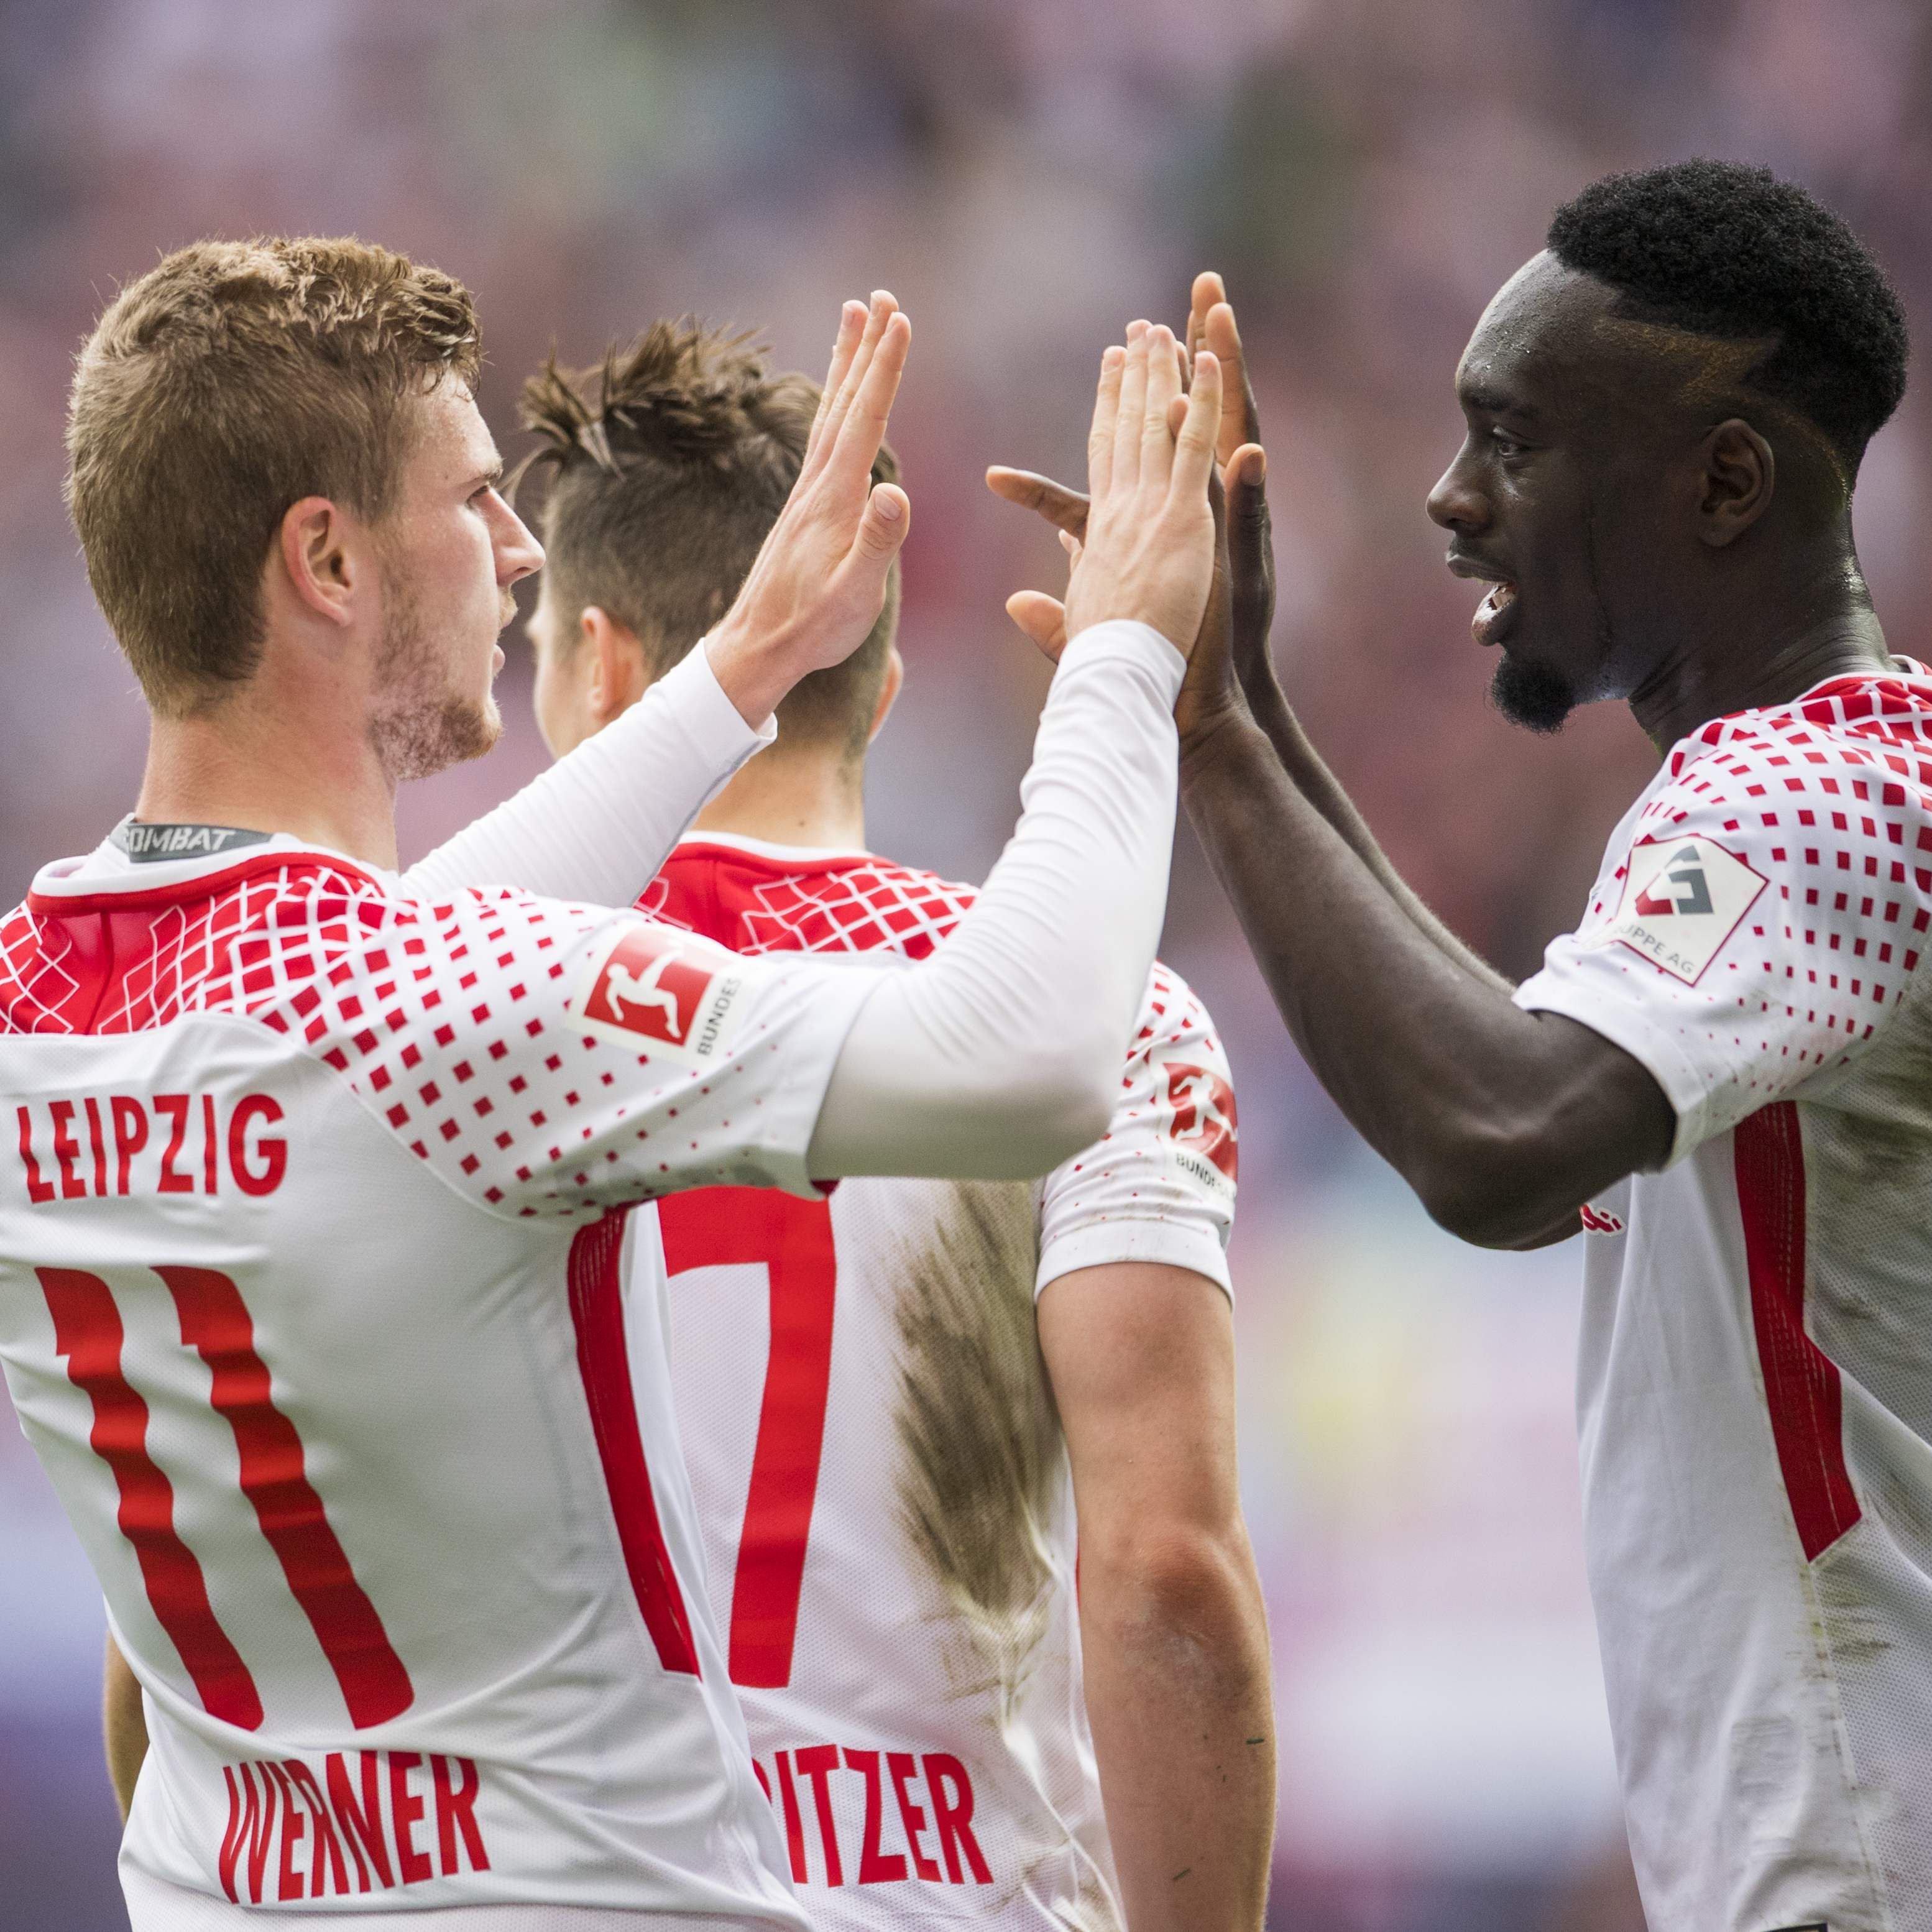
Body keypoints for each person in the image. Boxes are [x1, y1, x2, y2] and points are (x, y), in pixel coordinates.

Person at [0, 236, 1226, 1930]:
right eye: (475, 496)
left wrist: (733, 670)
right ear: (329, 559)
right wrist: (1122, 662)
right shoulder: (432, 1013)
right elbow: (1026, 1058)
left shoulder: (49, 999)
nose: (518, 550)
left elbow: (376, 982)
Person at [996, 162, 1926, 1932]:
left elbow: (1493, 1134)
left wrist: (1204, 726)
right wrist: (1245, 696)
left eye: (1513, 439)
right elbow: (1518, 1105)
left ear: (1724, 479)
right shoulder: (1811, 785)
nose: (1451, 497)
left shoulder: (1815, 795)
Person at [513, 320, 1275, 1932]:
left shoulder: (434, 1016)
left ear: (601, 665)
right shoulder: (1100, 1015)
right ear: (884, 678)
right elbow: (1164, 1572)